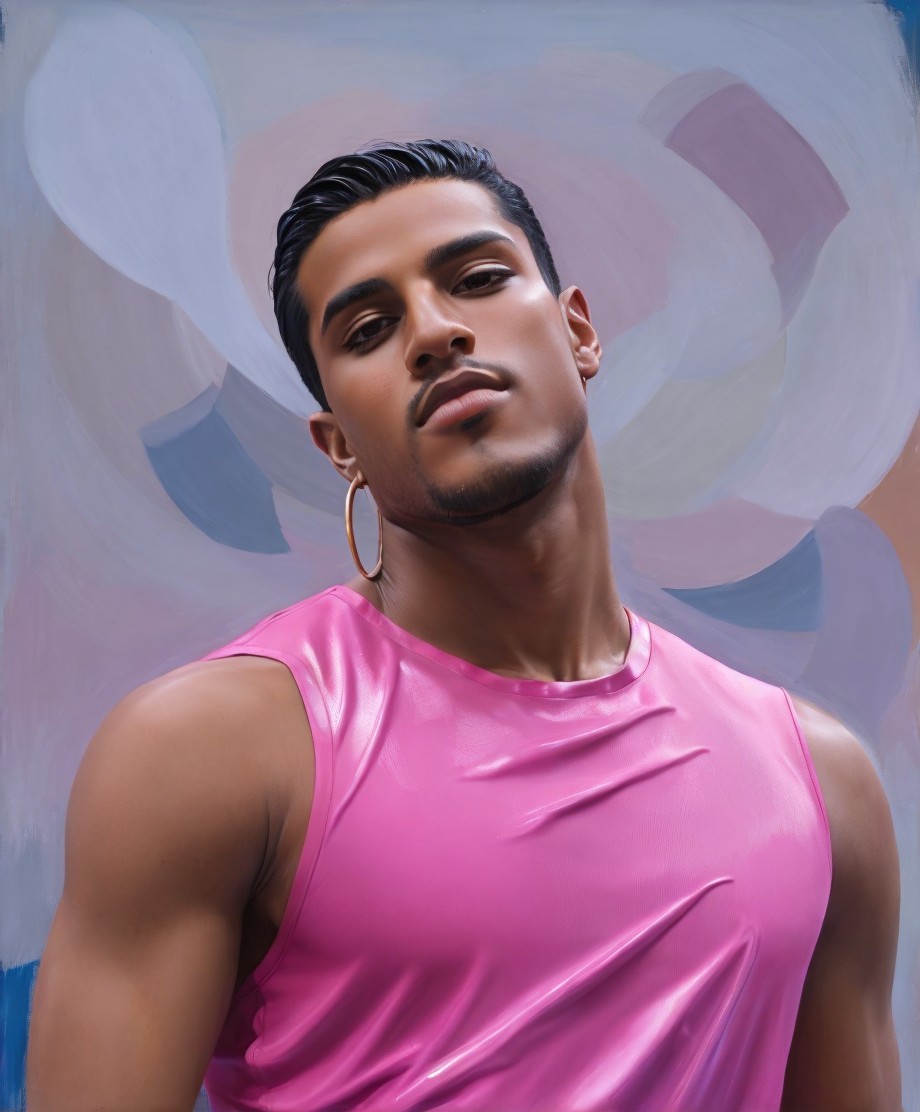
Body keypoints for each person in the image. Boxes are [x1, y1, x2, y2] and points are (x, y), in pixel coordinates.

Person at [27, 139, 902, 1111]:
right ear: (337, 444)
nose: (436, 333)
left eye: (478, 279)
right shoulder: (207, 754)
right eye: (368, 329)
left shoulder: (820, 787)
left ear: (578, 332)